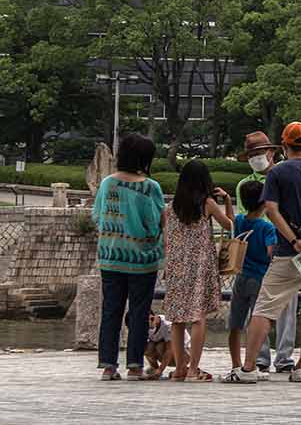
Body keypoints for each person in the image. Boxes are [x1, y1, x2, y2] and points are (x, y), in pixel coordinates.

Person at [231, 122, 301, 383]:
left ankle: (249, 369)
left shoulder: (278, 173)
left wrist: (294, 240)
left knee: (264, 307)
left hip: (292, 254)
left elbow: (271, 209)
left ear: (283, 145)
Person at [92, 132, 165, 381]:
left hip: (111, 256)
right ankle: (134, 365)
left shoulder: (107, 184)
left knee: (111, 310)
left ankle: (108, 366)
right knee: (139, 312)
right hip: (142, 260)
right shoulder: (149, 187)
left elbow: (97, 217)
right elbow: (156, 223)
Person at [160, 160, 233, 383]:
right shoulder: (207, 204)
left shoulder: (170, 208)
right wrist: (228, 201)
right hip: (200, 266)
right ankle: (193, 369)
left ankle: (180, 367)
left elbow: (167, 238)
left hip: (175, 266)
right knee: (198, 317)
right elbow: (230, 225)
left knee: (177, 319)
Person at [239, 130, 299, 372]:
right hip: (258, 253)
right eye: (252, 154)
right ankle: (260, 357)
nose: (256, 158)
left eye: (260, 153)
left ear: (272, 152)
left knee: (289, 306)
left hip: (286, 247)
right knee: (257, 307)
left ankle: (284, 357)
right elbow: (247, 217)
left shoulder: (288, 175)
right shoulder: (246, 185)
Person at [222, 179, 280, 382]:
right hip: (260, 278)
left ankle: (236, 364)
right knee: (257, 322)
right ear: (265, 202)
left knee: (235, 323)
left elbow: (228, 220)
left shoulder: (239, 221)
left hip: (240, 276)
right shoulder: (267, 228)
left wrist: (228, 200)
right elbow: (270, 253)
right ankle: (252, 363)